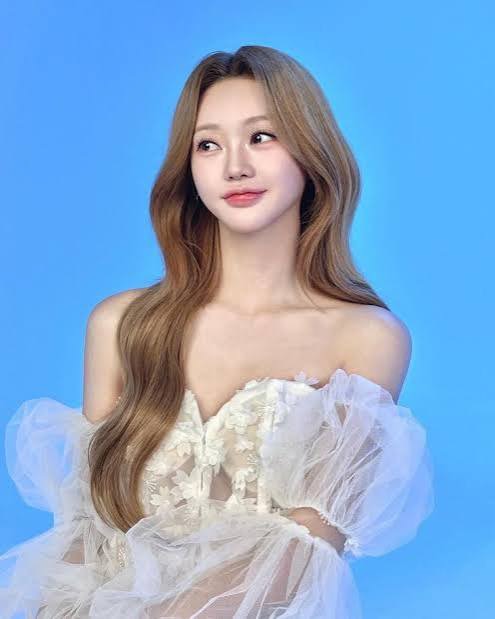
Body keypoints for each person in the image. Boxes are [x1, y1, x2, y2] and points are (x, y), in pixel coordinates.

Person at [0, 45, 434, 618]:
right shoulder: (121, 325)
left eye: (262, 137)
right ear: (189, 169)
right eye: (208, 144)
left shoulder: (366, 338)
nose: (235, 166)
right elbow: (86, 536)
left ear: (311, 152)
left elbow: (302, 550)